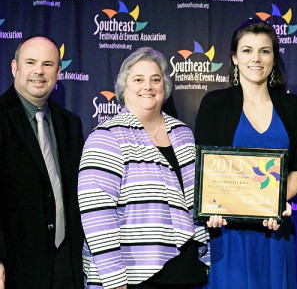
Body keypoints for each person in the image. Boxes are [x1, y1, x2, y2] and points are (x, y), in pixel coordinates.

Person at [78, 47, 210, 289]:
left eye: (155, 79)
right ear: (123, 87)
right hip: (134, 277)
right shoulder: (106, 136)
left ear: (164, 87)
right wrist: (115, 280)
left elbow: (200, 199)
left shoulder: (183, 134)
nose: (147, 86)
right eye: (138, 79)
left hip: (186, 271)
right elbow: (97, 214)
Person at [195, 18, 297, 289]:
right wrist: (213, 205)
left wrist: (275, 203)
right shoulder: (215, 104)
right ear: (234, 58)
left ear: (273, 58)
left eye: (264, 51)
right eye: (247, 51)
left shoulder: (293, 106)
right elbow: (204, 168)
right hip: (229, 232)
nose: (255, 59)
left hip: (276, 229)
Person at [0, 36, 84, 288]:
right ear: (15, 67)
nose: (39, 71)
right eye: (31, 62)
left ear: (58, 73)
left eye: (48, 64)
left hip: (66, 264)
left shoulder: (70, 124)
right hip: (16, 266)